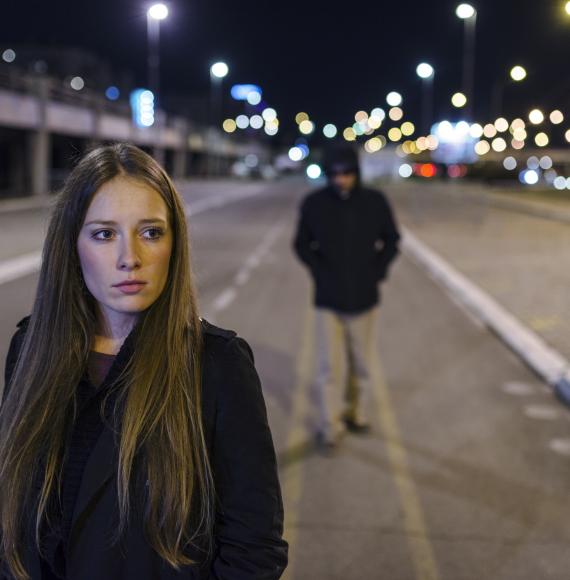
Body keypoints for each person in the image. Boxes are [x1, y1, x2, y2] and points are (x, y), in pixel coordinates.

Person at [0, 143, 288, 580]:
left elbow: (254, 547)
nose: (129, 257)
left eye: (151, 232)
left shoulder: (218, 366)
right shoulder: (30, 348)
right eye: (104, 234)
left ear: (174, 243)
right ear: (71, 245)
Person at [293, 143, 400, 451]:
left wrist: (377, 272)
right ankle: (331, 425)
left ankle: (357, 413)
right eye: (336, 173)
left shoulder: (375, 202)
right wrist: (318, 270)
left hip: (365, 297)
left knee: (362, 363)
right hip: (327, 298)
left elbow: (392, 240)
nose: (342, 179)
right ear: (329, 173)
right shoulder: (313, 203)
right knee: (330, 366)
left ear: (356, 172)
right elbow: (301, 244)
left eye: (348, 173)